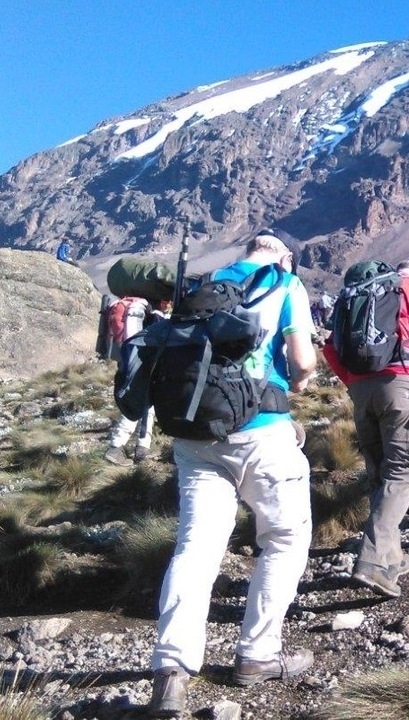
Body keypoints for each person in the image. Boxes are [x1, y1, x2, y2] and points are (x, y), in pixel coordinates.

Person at [149, 229, 317, 718]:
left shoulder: (204, 282)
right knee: (284, 538)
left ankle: (171, 672)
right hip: (262, 432)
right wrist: (301, 382)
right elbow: (302, 360)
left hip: (196, 436)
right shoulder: (285, 283)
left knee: (196, 547)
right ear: (283, 256)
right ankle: (258, 654)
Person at [322, 259, 409, 598]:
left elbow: (330, 347)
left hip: (362, 389)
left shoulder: (355, 297)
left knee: (380, 473)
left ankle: (392, 557)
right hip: (404, 383)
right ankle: (373, 561)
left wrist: (351, 382)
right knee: (404, 471)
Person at [105, 298, 167, 466]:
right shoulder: (156, 316)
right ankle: (116, 448)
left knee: (144, 405)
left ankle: (142, 448)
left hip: (132, 362)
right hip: (144, 366)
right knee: (138, 405)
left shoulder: (142, 312)